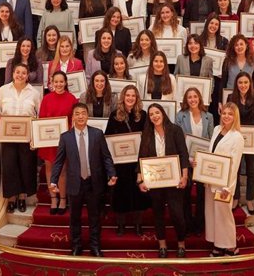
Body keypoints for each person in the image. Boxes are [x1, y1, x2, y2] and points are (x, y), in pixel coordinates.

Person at [50, 103, 117, 256]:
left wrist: (111, 173)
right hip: (75, 183)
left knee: (95, 217)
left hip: (94, 182)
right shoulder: (65, 137)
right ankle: (76, 246)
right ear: (73, 117)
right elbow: (59, 161)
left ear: (87, 116)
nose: (80, 116)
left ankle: (95, 246)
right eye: (77, 114)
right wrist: (53, 181)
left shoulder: (97, 134)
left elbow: (106, 157)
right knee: (74, 218)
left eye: (83, 113)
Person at [137, 103, 190, 258]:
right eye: (151, 114)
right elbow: (141, 158)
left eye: (157, 112)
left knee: (177, 213)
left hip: (174, 180)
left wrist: (184, 176)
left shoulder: (175, 130)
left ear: (163, 113)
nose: (154, 116)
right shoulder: (146, 134)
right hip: (155, 182)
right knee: (158, 213)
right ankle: (162, 244)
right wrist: (140, 180)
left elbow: (183, 155)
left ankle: (181, 243)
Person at [0, 63, 41, 213]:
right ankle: (11, 199)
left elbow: (39, 115)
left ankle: (22, 197)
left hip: (27, 136)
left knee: (26, 166)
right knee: (10, 166)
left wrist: (36, 137)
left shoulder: (34, 93)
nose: (20, 75)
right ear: (13, 73)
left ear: (27, 76)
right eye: (17, 72)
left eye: (23, 73)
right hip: (7, 135)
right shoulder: (3, 90)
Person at [105, 85, 150, 235]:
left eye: (133, 96)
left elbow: (148, 138)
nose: (130, 98)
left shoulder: (143, 115)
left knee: (138, 193)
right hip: (120, 163)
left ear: (137, 98)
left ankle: (138, 223)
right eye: (128, 95)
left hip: (138, 161)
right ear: (123, 97)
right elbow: (108, 138)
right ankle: (121, 224)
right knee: (120, 193)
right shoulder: (114, 116)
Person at [203, 102, 245, 256]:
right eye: (225, 113)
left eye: (230, 114)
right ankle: (218, 245)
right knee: (213, 214)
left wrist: (228, 188)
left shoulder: (237, 137)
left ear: (235, 117)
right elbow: (211, 153)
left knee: (224, 216)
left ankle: (230, 247)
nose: (226, 116)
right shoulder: (216, 129)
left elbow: (234, 166)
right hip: (211, 181)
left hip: (224, 184)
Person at [38, 71, 78, 215]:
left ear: (66, 83)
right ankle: (53, 199)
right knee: (49, 170)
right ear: (51, 83)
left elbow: (75, 121)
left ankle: (62, 199)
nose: (59, 84)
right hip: (48, 142)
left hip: (64, 141)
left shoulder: (72, 99)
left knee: (62, 171)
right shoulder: (46, 99)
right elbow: (41, 120)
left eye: (61, 82)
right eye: (56, 82)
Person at [175, 87, 214, 234]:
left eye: (195, 97)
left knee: (201, 194)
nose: (192, 99)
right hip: (186, 160)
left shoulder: (208, 116)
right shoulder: (180, 116)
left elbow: (211, 139)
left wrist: (204, 159)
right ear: (186, 100)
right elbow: (178, 140)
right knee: (185, 194)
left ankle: (199, 225)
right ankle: (187, 224)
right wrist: (189, 160)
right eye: (189, 97)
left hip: (203, 161)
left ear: (199, 98)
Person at [227, 72, 254, 216]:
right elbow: (228, 119)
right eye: (240, 82)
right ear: (236, 84)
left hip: (252, 141)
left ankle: (249, 199)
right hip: (235, 138)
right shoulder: (231, 98)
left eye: (246, 82)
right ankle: (235, 198)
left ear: (250, 84)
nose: (243, 85)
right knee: (234, 169)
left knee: (252, 171)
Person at [0, 2, 24, 87]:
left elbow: (22, 45)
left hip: (15, 65)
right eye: (2, 11)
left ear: (10, 13)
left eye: (7, 11)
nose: (4, 14)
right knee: (1, 87)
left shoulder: (18, 28)